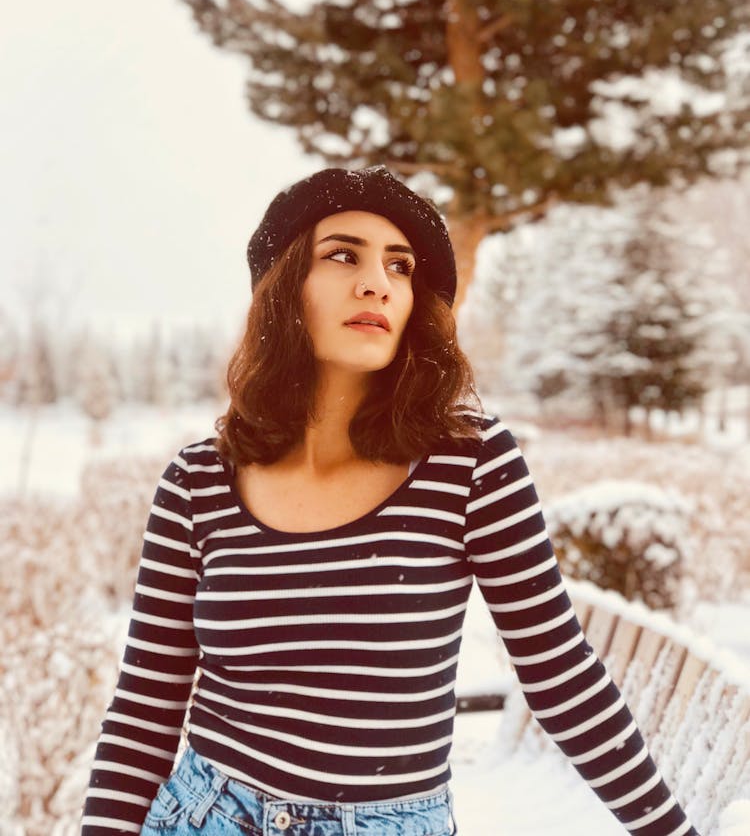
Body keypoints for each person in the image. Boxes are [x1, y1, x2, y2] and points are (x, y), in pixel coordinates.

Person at [82, 165, 699, 836]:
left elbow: (560, 675)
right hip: (207, 815)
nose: (377, 281)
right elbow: (146, 703)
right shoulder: (198, 482)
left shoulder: (470, 463)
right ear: (284, 286)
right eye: (342, 254)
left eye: (400, 267)